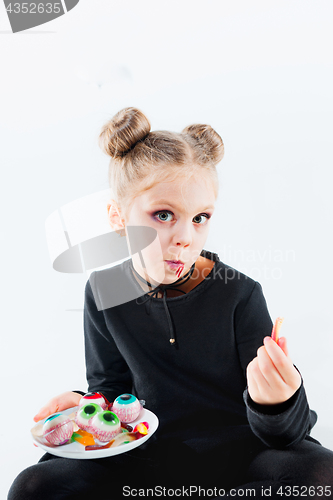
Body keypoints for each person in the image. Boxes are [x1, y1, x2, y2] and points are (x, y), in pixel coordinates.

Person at [8, 107, 333, 500]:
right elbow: (110, 389)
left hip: (239, 458)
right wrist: (84, 405)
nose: (185, 236)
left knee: (320, 475)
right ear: (118, 216)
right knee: (34, 486)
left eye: (200, 218)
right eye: (164, 215)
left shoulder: (240, 293)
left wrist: (277, 402)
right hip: (146, 459)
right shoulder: (105, 289)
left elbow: (287, 434)